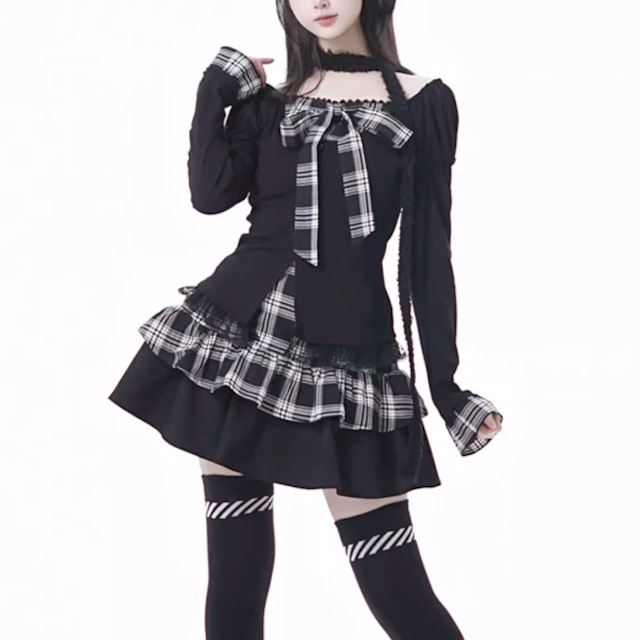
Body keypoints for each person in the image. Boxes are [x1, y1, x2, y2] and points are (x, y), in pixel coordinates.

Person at [108, 0, 504, 638]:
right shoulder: (268, 105)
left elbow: (428, 255)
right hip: (237, 345)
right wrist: (215, 88)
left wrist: (447, 387)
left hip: (346, 363)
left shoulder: (421, 103)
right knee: (235, 583)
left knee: (400, 593)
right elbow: (209, 195)